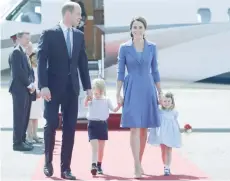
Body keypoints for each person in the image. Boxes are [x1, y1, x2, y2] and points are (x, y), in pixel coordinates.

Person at [37, 2, 92, 180]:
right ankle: (47, 162)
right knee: (51, 124)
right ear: (68, 14)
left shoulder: (79, 35)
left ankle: (65, 168)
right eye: (78, 14)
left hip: (72, 89)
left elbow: (82, 64)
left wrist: (88, 87)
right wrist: (43, 85)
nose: (80, 17)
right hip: (51, 90)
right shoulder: (49, 34)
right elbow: (41, 61)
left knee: (70, 129)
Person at [116, 17, 163, 178]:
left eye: (140, 27)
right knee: (134, 127)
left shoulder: (152, 47)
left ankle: (139, 161)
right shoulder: (124, 48)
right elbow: (120, 72)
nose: (137, 30)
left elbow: (155, 70)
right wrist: (117, 93)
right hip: (132, 88)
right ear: (131, 29)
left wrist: (160, 92)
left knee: (144, 128)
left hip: (148, 88)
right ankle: (136, 164)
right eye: (134, 27)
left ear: (145, 29)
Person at [84, 78, 121, 176]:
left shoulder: (106, 100)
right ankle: (93, 165)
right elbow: (85, 105)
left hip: (103, 125)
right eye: (95, 93)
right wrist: (87, 99)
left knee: (101, 148)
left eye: (98, 93)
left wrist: (119, 105)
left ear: (102, 91)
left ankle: (99, 165)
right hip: (92, 124)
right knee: (94, 146)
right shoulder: (91, 99)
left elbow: (114, 109)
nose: (97, 95)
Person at [9, 31, 36, 151]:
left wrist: (32, 83)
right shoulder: (16, 52)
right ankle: (17, 142)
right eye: (26, 39)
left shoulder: (23, 52)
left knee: (25, 116)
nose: (28, 41)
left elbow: (29, 70)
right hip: (19, 89)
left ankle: (22, 139)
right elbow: (18, 72)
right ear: (19, 39)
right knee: (19, 116)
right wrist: (29, 84)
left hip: (25, 89)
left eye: (29, 39)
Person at [147, 92, 182, 176]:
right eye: (165, 101)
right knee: (163, 150)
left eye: (169, 101)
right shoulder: (159, 111)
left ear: (172, 102)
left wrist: (180, 131)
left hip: (171, 133)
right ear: (161, 102)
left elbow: (176, 123)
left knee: (169, 150)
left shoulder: (174, 112)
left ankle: (167, 167)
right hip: (162, 134)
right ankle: (165, 165)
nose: (167, 103)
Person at [25, 42, 43, 144]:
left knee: (36, 116)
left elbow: (38, 77)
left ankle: (35, 134)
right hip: (30, 91)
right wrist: (33, 90)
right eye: (28, 47)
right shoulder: (24, 60)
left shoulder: (35, 62)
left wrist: (39, 90)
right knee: (30, 116)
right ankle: (29, 136)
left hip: (37, 92)